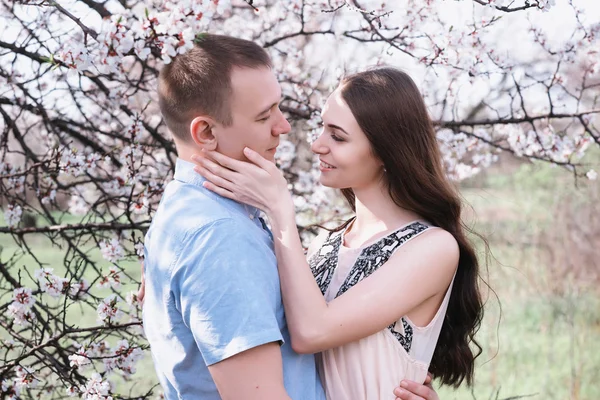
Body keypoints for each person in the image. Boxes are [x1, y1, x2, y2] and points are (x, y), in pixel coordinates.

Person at [141, 34, 439, 400]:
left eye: (338, 136)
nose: (285, 128)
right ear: (205, 132)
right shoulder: (219, 237)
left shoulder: (203, 222)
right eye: (265, 115)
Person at [192, 67, 484, 399]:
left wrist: (280, 209)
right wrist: (187, 263)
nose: (317, 145)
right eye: (322, 130)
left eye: (338, 136)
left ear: (386, 151)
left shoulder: (432, 249)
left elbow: (311, 332)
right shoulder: (325, 244)